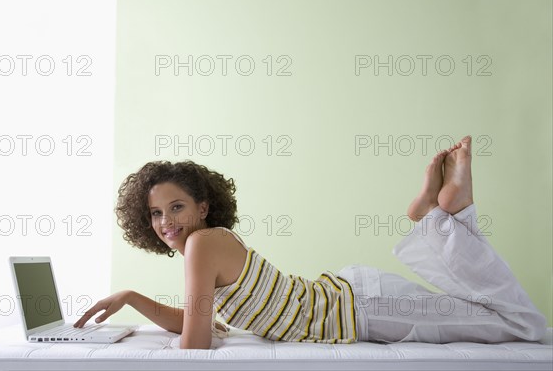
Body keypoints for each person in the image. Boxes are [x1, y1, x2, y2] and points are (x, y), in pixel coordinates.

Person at [74, 136, 547, 349]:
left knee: (522, 326)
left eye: (176, 207)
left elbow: (196, 343)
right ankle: (444, 217)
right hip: (354, 299)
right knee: (504, 317)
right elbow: (203, 324)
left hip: (362, 309)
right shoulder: (209, 246)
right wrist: (132, 297)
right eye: (155, 212)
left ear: (203, 207)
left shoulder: (203, 245)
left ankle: (448, 215)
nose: (164, 221)